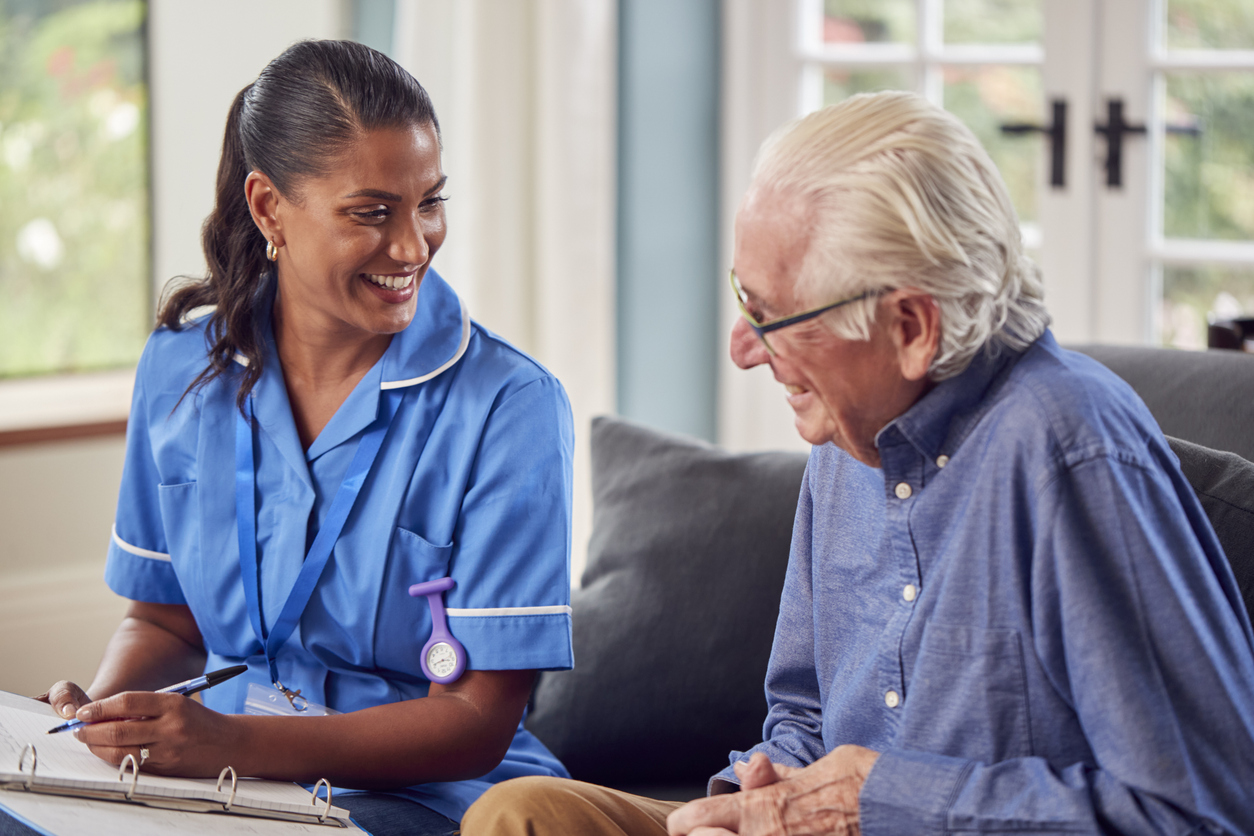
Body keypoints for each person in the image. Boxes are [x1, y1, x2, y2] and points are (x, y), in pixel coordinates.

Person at [461, 91, 1254, 835]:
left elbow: (1202, 808)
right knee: (524, 813)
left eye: (771, 316)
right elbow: (801, 715)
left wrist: (878, 804)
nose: (743, 349)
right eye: (744, 299)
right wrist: (761, 799)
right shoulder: (849, 435)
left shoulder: (1069, 451)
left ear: (911, 327)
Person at [21, 40, 575, 836]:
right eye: (373, 212)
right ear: (269, 207)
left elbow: (476, 720)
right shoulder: (180, 369)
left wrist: (231, 745)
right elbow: (166, 622)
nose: (415, 245)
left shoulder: (511, 407)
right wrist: (112, 722)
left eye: (430, 203)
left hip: (422, 801)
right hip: (217, 789)